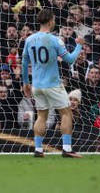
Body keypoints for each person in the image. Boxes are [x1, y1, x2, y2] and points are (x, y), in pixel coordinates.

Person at [21, 9, 84, 158]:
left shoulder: (29, 39)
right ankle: (67, 149)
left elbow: (24, 62)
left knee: (41, 116)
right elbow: (70, 60)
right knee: (66, 113)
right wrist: (79, 45)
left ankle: (38, 149)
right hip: (53, 84)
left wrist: (25, 82)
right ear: (50, 21)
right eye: (54, 20)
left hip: (37, 85)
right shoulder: (55, 40)